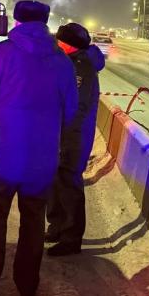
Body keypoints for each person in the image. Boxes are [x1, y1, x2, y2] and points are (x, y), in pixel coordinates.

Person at [0, 0, 77, 296]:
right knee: (33, 221)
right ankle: (27, 285)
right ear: (46, 23)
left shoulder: (3, 53)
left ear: (18, 21)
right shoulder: (61, 61)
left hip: (3, 155)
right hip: (41, 160)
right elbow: (72, 110)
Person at [46, 22, 105, 256]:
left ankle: (71, 238)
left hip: (73, 134)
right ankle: (57, 226)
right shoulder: (69, 62)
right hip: (61, 133)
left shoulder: (82, 67)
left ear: (70, 45)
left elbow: (76, 107)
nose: (58, 44)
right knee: (55, 180)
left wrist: (61, 130)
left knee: (69, 183)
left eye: (61, 41)